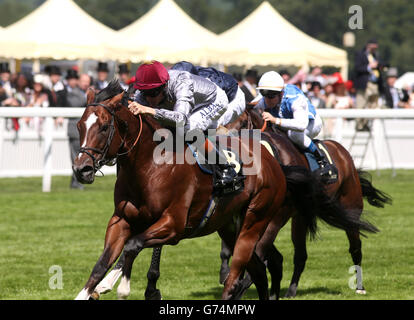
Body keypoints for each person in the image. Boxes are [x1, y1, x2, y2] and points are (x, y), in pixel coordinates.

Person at [127, 60, 242, 190]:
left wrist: (150, 110)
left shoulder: (182, 82)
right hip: (190, 102)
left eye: (153, 93)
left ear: (164, 86)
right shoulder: (144, 93)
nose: (148, 99)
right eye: (144, 93)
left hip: (214, 101)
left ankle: (226, 168)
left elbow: (181, 119)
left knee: (187, 129)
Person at [254, 71, 336, 180]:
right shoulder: (270, 96)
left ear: (281, 93)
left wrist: (275, 120)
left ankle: (322, 161)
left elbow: (301, 125)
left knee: (294, 135)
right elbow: (252, 106)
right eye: (264, 95)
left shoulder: (295, 99)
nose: (267, 100)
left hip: (311, 124)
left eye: (271, 96)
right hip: (291, 125)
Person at [171, 61, 246, 127]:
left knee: (206, 125)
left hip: (233, 98)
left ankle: (226, 141)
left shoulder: (204, 86)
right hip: (217, 91)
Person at [353, 38, 383, 131]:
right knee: (361, 104)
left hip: (374, 83)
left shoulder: (375, 55)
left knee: (372, 104)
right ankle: (360, 125)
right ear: (368, 46)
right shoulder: (360, 54)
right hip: (364, 84)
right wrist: (369, 67)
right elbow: (357, 68)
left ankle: (366, 123)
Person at [64, 69, 86, 190]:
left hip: (82, 132)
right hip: (74, 131)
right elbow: (75, 103)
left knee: (79, 158)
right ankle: (77, 183)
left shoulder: (83, 92)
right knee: (76, 158)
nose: (86, 84)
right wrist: (90, 96)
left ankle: (75, 183)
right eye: (83, 81)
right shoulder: (73, 93)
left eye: (87, 82)